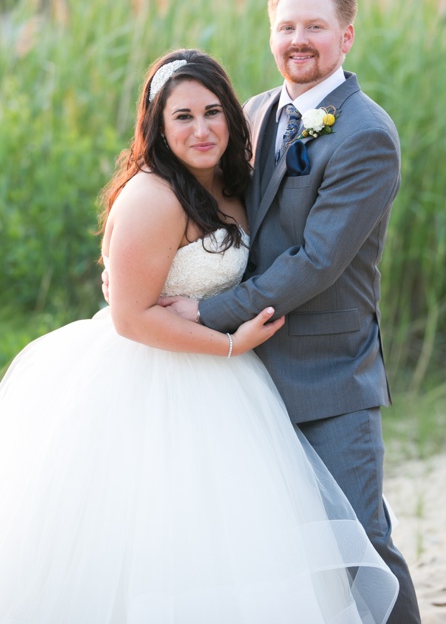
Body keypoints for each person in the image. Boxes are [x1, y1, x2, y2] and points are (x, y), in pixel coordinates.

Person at [0, 49, 398, 622]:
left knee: (245, 536)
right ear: (158, 127)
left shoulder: (230, 182)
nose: (202, 128)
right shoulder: (153, 195)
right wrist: (229, 344)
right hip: (155, 378)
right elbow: (131, 317)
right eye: (182, 117)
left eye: (213, 112)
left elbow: (302, 249)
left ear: (234, 117)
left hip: (233, 386)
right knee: (161, 535)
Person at [157, 0, 420, 623]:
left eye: (314, 27)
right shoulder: (254, 111)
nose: (298, 40)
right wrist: (146, 260)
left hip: (330, 373)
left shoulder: (365, 134)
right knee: (271, 543)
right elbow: (204, 199)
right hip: (248, 376)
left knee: (359, 541)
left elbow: (318, 261)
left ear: (346, 35)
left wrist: (206, 311)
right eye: (286, 27)